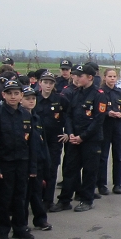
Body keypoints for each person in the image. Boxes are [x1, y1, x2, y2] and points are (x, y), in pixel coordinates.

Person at [0, 79, 37, 239]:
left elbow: (31, 142)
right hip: (5, 163)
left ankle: (20, 228)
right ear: (3, 95)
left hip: (22, 161)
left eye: (16, 93)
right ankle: (2, 230)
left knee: (20, 197)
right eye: (9, 94)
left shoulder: (26, 115)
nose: (13, 97)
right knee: (4, 198)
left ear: (21, 95)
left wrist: (32, 166)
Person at [52, 63, 107, 212]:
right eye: (75, 75)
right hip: (74, 138)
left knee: (89, 171)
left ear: (90, 77)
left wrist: (82, 137)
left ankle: (87, 200)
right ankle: (64, 200)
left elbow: (98, 120)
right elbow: (69, 115)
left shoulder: (99, 95)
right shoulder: (75, 93)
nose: (76, 78)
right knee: (70, 170)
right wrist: (70, 133)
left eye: (79, 76)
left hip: (90, 140)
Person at [34, 71, 69, 211]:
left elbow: (69, 115)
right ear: (40, 83)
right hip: (37, 140)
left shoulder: (60, 99)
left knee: (52, 169)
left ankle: (48, 200)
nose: (48, 85)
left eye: (51, 83)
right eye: (45, 82)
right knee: (38, 169)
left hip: (54, 139)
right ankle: (37, 198)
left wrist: (68, 132)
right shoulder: (34, 98)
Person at [19, 86, 50, 231]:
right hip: (24, 161)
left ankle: (40, 220)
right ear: (21, 100)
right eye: (27, 98)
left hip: (38, 160)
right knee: (24, 195)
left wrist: (46, 159)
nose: (31, 101)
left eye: (33, 98)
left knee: (37, 193)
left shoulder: (36, 118)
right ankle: (22, 222)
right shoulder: (19, 117)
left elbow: (43, 141)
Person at [97, 68, 121, 195]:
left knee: (117, 156)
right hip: (104, 127)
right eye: (110, 76)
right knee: (103, 157)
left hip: (117, 128)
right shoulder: (100, 93)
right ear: (104, 77)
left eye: (114, 76)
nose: (112, 79)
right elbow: (97, 110)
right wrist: (107, 113)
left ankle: (117, 184)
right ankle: (101, 184)